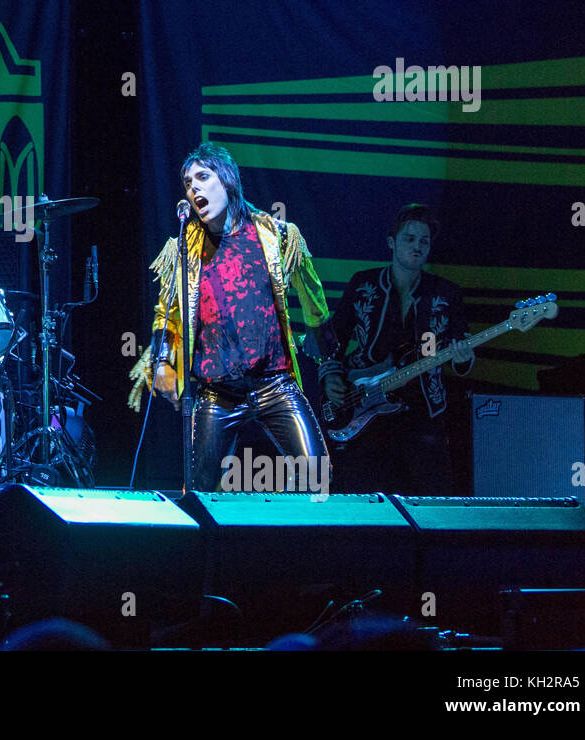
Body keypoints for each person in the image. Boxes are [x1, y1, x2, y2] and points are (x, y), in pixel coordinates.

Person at [127, 143, 333, 492]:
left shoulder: (276, 236)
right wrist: (161, 363)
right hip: (217, 395)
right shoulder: (183, 249)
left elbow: (312, 293)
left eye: (203, 177)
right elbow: (167, 313)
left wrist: (322, 337)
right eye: (188, 183)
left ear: (228, 180)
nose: (193, 188)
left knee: (318, 479)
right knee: (201, 494)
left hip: (275, 384)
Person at [319, 204, 473, 495]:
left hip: (424, 411)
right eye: (409, 239)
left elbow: (460, 348)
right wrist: (330, 378)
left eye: (424, 241)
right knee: (363, 501)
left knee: (431, 503)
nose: (417, 247)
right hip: (362, 407)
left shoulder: (446, 293)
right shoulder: (363, 283)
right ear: (392, 243)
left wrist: (463, 357)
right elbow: (332, 340)